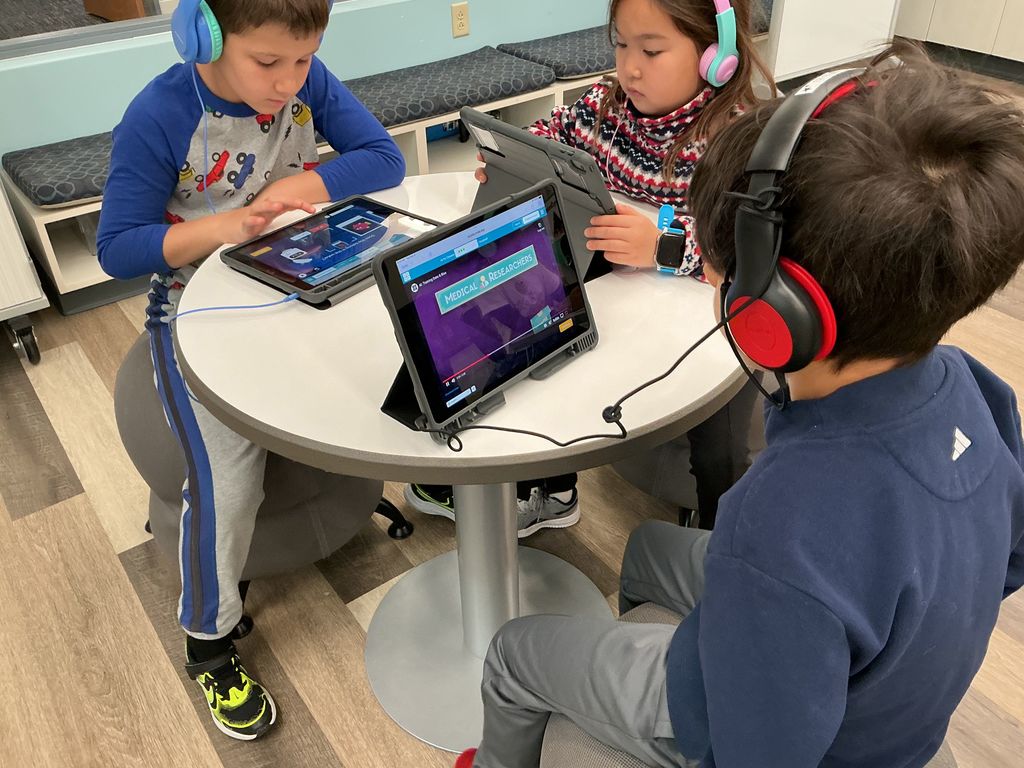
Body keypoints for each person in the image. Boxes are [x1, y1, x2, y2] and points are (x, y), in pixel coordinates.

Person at [454, 45, 1024, 767]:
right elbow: (1008, 559)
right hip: (867, 696)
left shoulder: (784, 518)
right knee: (648, 549)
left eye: (720, 274)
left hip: (745, 722)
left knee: (513, 649)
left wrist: (752, 647)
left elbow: (758, 751)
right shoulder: (978, 386)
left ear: (775, 317)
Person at [97, 0, 404, 740]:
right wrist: (221, 228)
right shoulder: (160, 114)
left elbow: (384, 158)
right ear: (204, 34)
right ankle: (208, 640)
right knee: (228, 476)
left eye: (302, 60)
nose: (287, 84)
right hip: (196, 315)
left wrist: (299, 190)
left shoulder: (306, 79)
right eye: (268, 63)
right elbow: (117, 246)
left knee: (409, 345)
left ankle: (432, 472)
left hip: (296, 282)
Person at [407, 0, 774, 534]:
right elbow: (545, 136)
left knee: (716, 433)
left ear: (714, 57)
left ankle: (720, 532)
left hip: (705, 323)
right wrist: (510, 157)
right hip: (614, 301)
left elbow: (748, 247)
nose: (630, 67)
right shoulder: (603, 107)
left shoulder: (738, 137)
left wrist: (663, 245)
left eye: (651, 50)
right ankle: (551, 484)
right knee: (533, 339)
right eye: (622, 44)